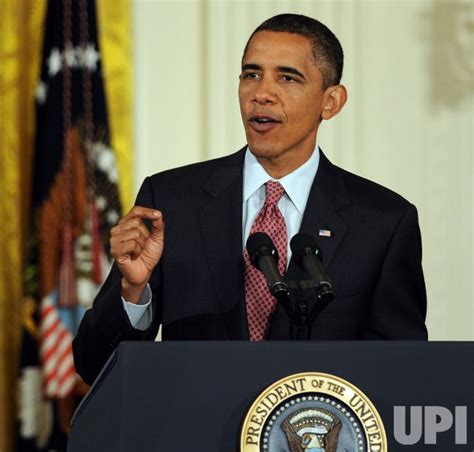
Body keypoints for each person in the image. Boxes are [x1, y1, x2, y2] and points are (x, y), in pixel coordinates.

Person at [73, 13, 428, 385]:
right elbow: (93, 363)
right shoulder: (172, 202)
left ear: (331, 102)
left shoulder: (383, 221)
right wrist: (132, 292)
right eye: (251, 74)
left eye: (287, 78)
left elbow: (402, 373)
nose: (262, 93)